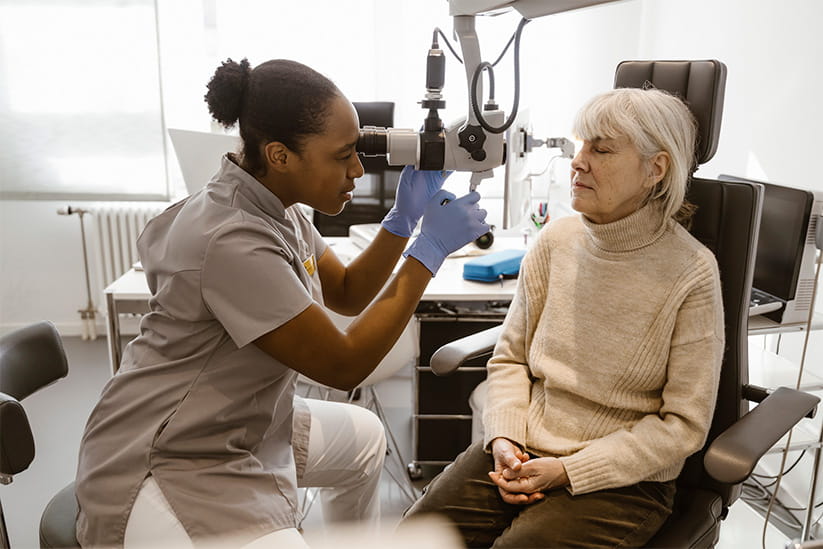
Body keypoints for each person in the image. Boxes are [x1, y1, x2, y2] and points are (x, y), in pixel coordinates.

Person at [74, 58, 489, 548]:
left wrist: (401, 221)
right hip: (173, 453)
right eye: (342, 156)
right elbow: (344, 364)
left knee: (365, 439)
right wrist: (428, 253)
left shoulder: (276, 206)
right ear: (279, 154)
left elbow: (348, 292)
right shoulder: (231, 238)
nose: (357, 169)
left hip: (238, 419)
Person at [402, 87, 725, 548]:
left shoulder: (691, 273)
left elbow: (683, 425)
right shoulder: (556, 241)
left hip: (624, 480)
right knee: (416, 536)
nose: (579, 161)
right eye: (580, 145)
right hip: (524, 449)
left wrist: (567, 471)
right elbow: (511, 359)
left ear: (656, 169)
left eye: (602, 149)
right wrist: (505, 440)